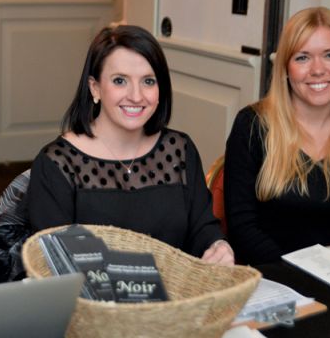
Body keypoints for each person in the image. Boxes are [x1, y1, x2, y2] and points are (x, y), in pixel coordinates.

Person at [27, 25, 234, 264]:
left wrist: (218, 245)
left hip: (176, 288)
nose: (136, 96)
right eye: (120, 81)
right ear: (95, 87)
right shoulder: (57, 164)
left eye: (148, 81)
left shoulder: (179, 150)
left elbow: (202, 229)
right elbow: (53, 265)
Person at [224, 7, 330, 265]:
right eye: (302, 58)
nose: (318, 69)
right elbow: (242, 227)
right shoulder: (251, 126)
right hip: (275, 276)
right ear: (285, 68)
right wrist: (300, 274)